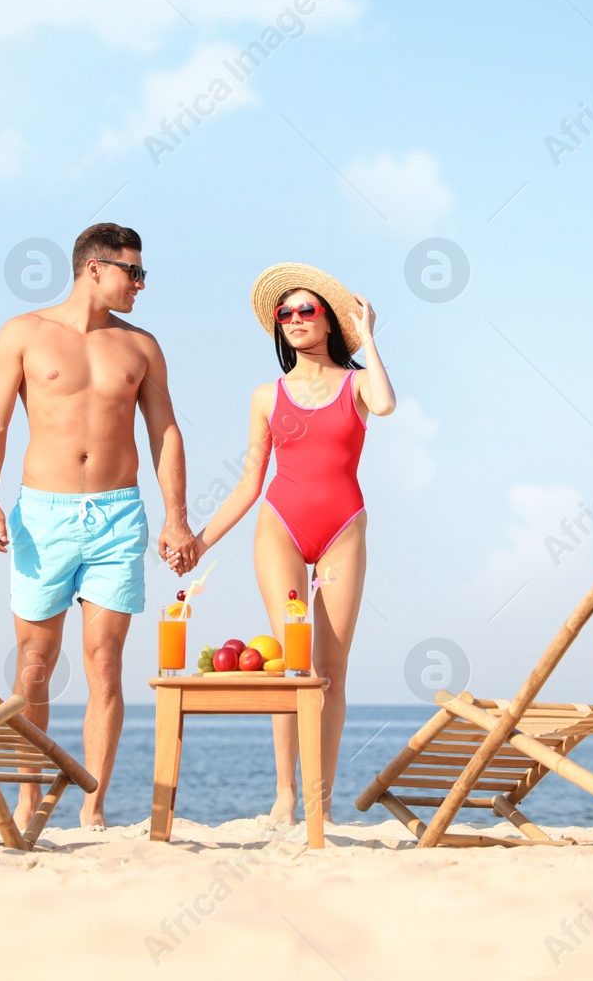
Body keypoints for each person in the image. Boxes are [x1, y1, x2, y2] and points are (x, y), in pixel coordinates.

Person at [0, 223, 197, 829]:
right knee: (34, 663)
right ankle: (27, 798)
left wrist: (176, 518)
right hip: (42, 515)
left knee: (105, 659)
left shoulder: (141, 347)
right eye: (135, 273)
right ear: (94, 269)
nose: (142, 286)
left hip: (117, 514)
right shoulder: (23, 334)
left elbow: (165, 431)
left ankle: (92, 806)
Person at [192, 263, 396, 824]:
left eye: (308, 310)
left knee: (331, 670)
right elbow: (248, 483)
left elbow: (384, 405)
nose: (295, 319)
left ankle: (320, 802)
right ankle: (285, 796)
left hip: (342, 532)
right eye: (286, 313)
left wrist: (370, 338)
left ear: (329, 321)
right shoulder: (265, 395)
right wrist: (199, 542)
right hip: (280, 526)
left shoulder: (356, 384)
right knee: (292, 666)